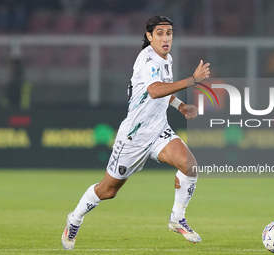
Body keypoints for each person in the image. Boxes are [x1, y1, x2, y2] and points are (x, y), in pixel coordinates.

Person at [61, 15, 210, 250]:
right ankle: (75, 219)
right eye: (159, 33)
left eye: (169, 33)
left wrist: (179, 105)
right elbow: (154, 90)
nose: (165, 38)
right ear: (149, 37)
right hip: (134, 136)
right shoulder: (148, 58)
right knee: (108, 190)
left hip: (159, 129)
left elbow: (163, 90)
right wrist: (192, 80)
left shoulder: (166, 59)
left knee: (189, 166)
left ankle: (177, 219)